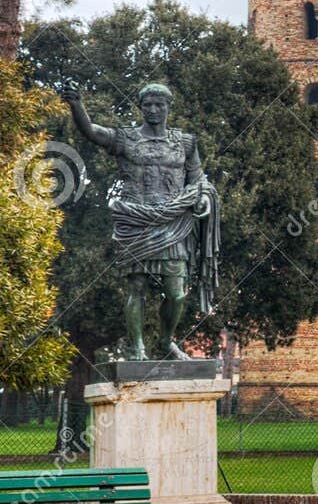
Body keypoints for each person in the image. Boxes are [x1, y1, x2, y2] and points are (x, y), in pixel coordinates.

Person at [60, 82, 220, 361]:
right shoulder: (126, 139)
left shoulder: (185, 142)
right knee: (136, 287)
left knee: (176, 293)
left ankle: (165, 341)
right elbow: (92, 132)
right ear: (141, 107)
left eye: (160, 104)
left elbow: (197, 178)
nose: (154, 110)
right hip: (135, 219)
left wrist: (204, 197)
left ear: (169, 107)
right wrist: (77, 105)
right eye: (148, 105)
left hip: (172, 221)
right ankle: (138, 348)